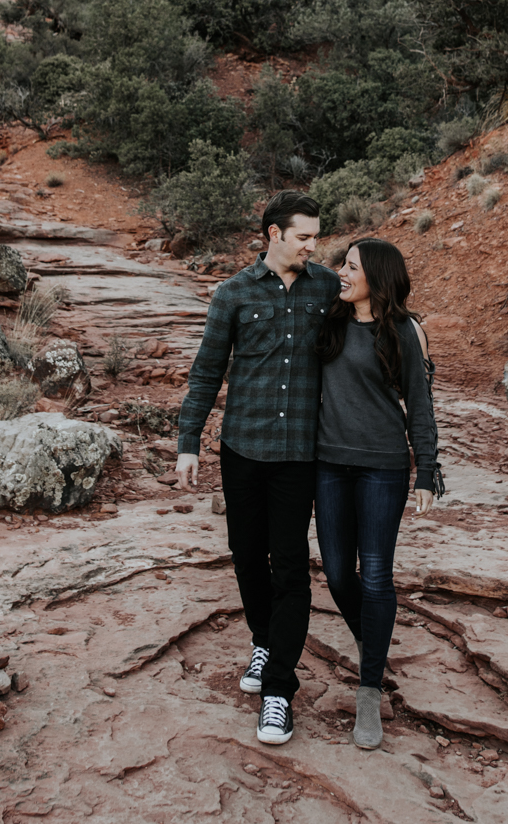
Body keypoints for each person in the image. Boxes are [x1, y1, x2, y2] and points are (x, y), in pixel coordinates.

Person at [176, 190, 340, 746]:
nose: (314, 247)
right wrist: (188, 442)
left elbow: (370, 328)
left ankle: (278, 692)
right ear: (274, 234)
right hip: (243, 449)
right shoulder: (233, 294)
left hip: (301, 454)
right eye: (304, 237)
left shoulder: (326, 289)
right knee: (248, 556)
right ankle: (263, 639)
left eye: (316, 237)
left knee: (291, 567)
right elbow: (206, 373)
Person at [315, 237, 440, 750]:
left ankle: (369, 690)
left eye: (351, 267)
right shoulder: (330, 319)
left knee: (375, 576)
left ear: (378, 278)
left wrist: (427, 471)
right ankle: (375, 644)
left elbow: (421, 403)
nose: (340, 273)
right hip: (329, 464)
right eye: (341, 265)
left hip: (382, 469)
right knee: (338, 572)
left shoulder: (404, 332)